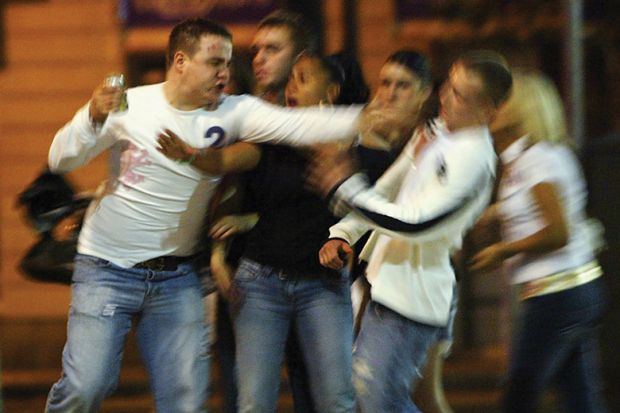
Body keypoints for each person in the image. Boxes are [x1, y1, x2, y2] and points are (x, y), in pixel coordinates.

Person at [45, 16, 392, 413]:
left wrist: (365, 117)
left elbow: (296, 124)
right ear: (181, 61)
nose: (226, 73)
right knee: (87, 387)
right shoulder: (130, 104)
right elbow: (60, 157)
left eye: (228, 62)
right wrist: (90, 116)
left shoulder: (234, 111)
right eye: (214, 63)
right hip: (108, 266)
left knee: (186, 401)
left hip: (177, 278)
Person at [159, 49, 371, 413]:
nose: (291, 87)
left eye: (302, 79)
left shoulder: (347, 143)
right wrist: (192, 154)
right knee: (254, 403)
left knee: (337, 399)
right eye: (290, 79)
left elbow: (355, 194)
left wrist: (300, 130)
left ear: (331, 92)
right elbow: (225, 161)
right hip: (261, 283)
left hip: (321, 284)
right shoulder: (268, 138)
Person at [311, 50, 513, 413]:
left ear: (488, 111)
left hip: (414, 299)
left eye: (460, 95)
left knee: (378, 400)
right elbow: (389, 189)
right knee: (389, 398)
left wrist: (346, 189)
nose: (446, 98)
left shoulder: (473, 159)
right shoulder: (438, 133)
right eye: (448, 87)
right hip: (393, 287)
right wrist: (344, 231)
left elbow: (416, 223)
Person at [469, 70, 608, 413]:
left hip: (557, 293)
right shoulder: (531, 159)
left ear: (520, 110)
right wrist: (497, 214)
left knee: (520, 394)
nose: (492, 109)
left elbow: (558, 232)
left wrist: (504, 250)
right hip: (571, 290)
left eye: (502, 102)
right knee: (580, 399)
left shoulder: (538, 159)